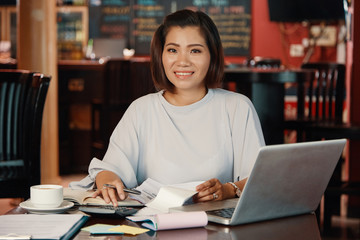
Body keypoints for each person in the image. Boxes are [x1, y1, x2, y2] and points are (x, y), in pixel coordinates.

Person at [70, 9, 265, 206]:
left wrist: (227, 189)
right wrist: (108, 181)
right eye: (173, 50)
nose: (182, 61)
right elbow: (110, 169)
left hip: (216, 227)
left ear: (212, 56)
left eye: (195, 50)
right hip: (154, 226)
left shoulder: (238, 108)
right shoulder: (141, 110)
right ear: (160, 55)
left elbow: (260, 179)